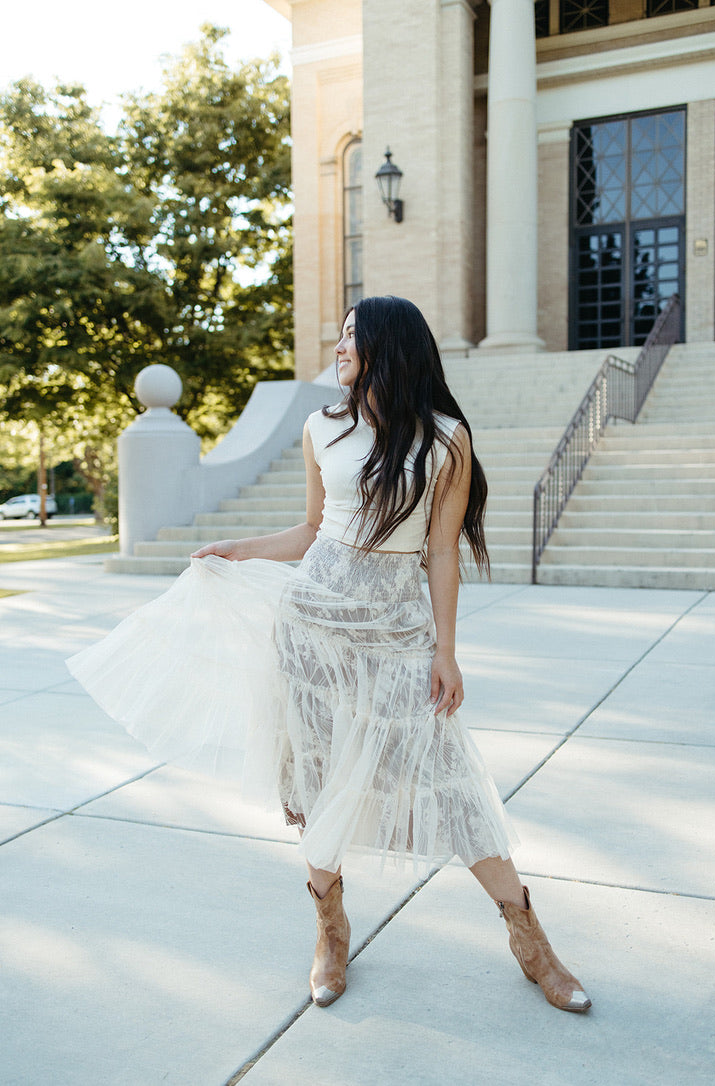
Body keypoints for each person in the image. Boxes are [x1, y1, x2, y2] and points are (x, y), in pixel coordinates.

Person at [68, 295, 590, 1014]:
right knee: (316, 788)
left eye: (351, 336)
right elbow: (315, 530)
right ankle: (330, 931)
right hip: (310, 627)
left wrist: (447, 651)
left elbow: (441, 551)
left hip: (399, 635)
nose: (339, 346)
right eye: (340, 334)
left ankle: (531, 941)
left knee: (451, 785)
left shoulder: (444, 439)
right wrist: (240, 548)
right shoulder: (321, 428)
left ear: (389, 347)